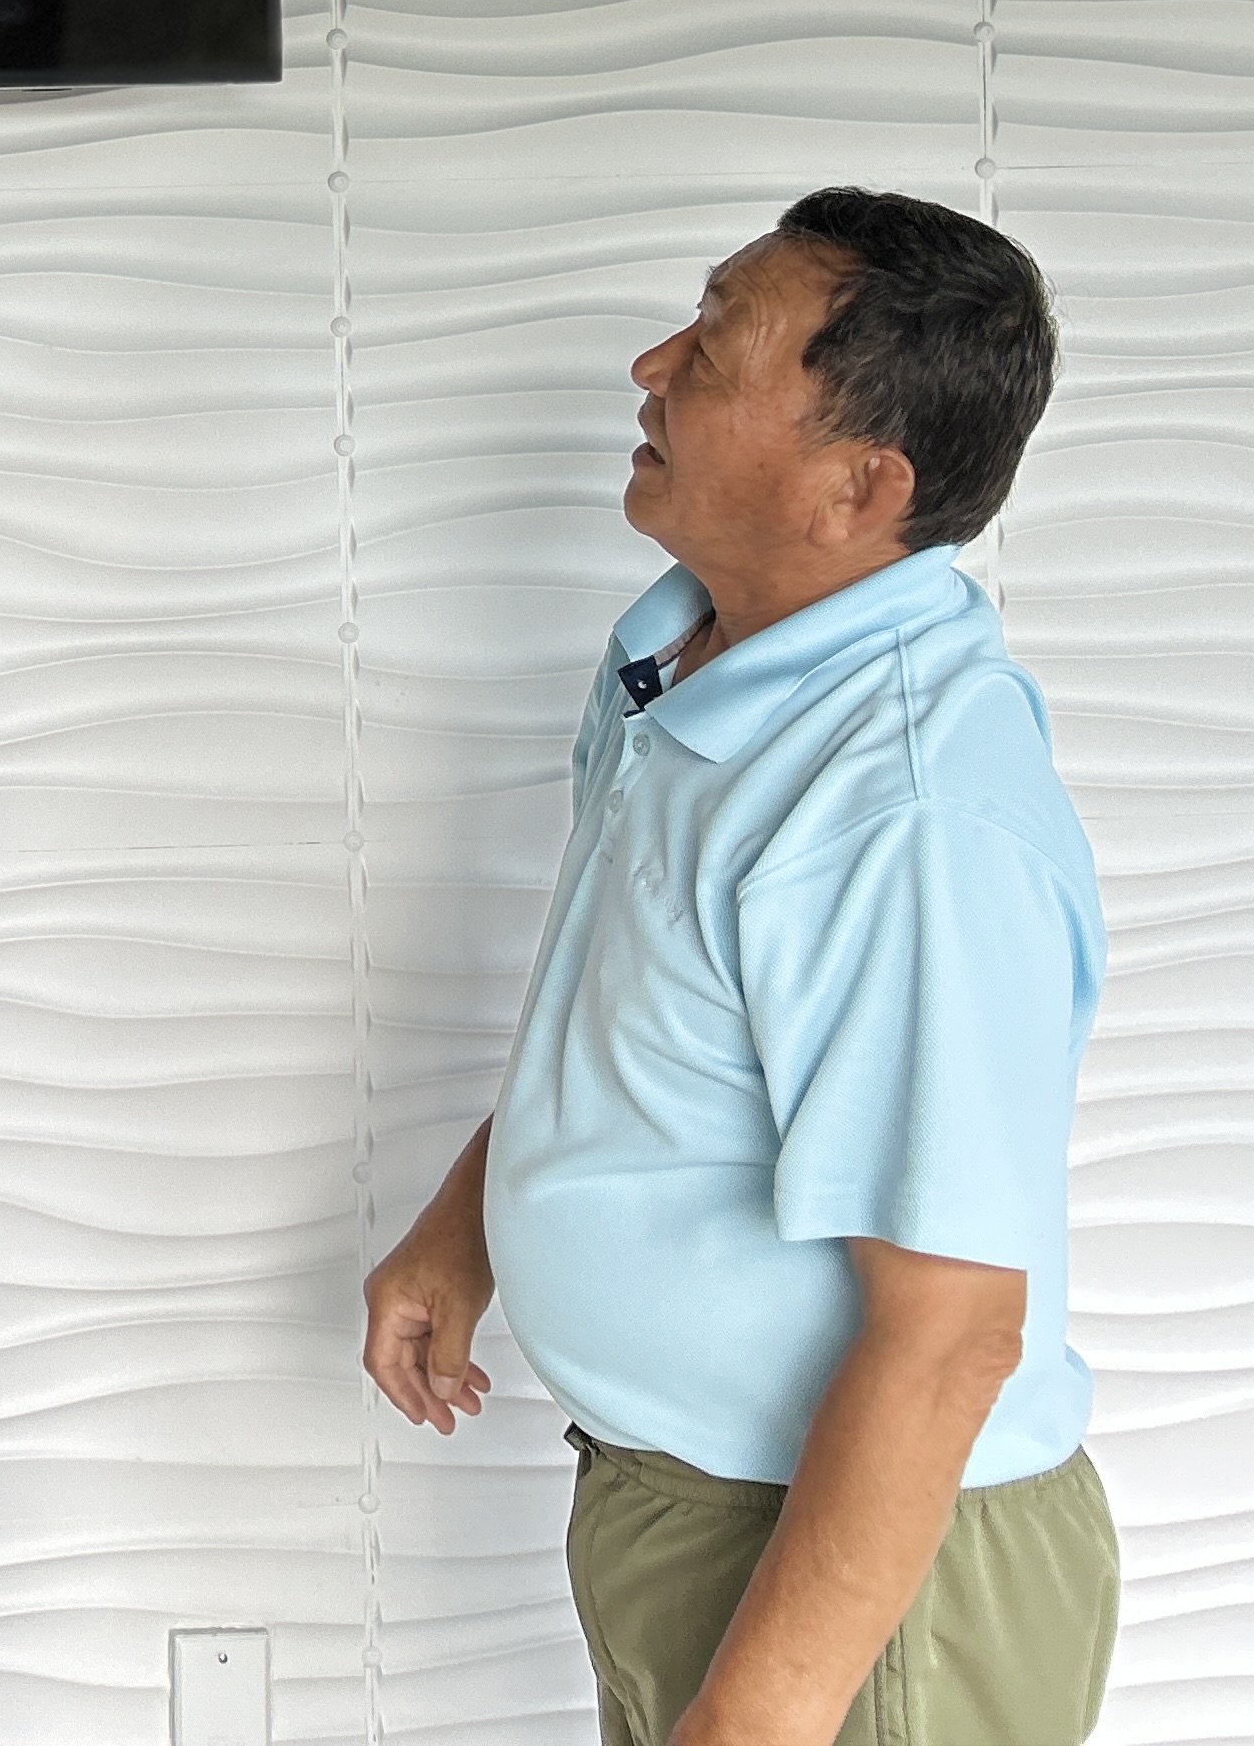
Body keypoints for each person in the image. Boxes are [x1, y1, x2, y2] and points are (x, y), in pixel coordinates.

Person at [360, 189, 1115, 1746]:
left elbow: (951, 1330)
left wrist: (760, 1716)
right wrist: (468, 1225)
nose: (653, 367)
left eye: (713, 348)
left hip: (860, 1582)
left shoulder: (901, 814)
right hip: (689, 1515)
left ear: (860, 485)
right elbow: (653, 1024)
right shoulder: (685, 664)